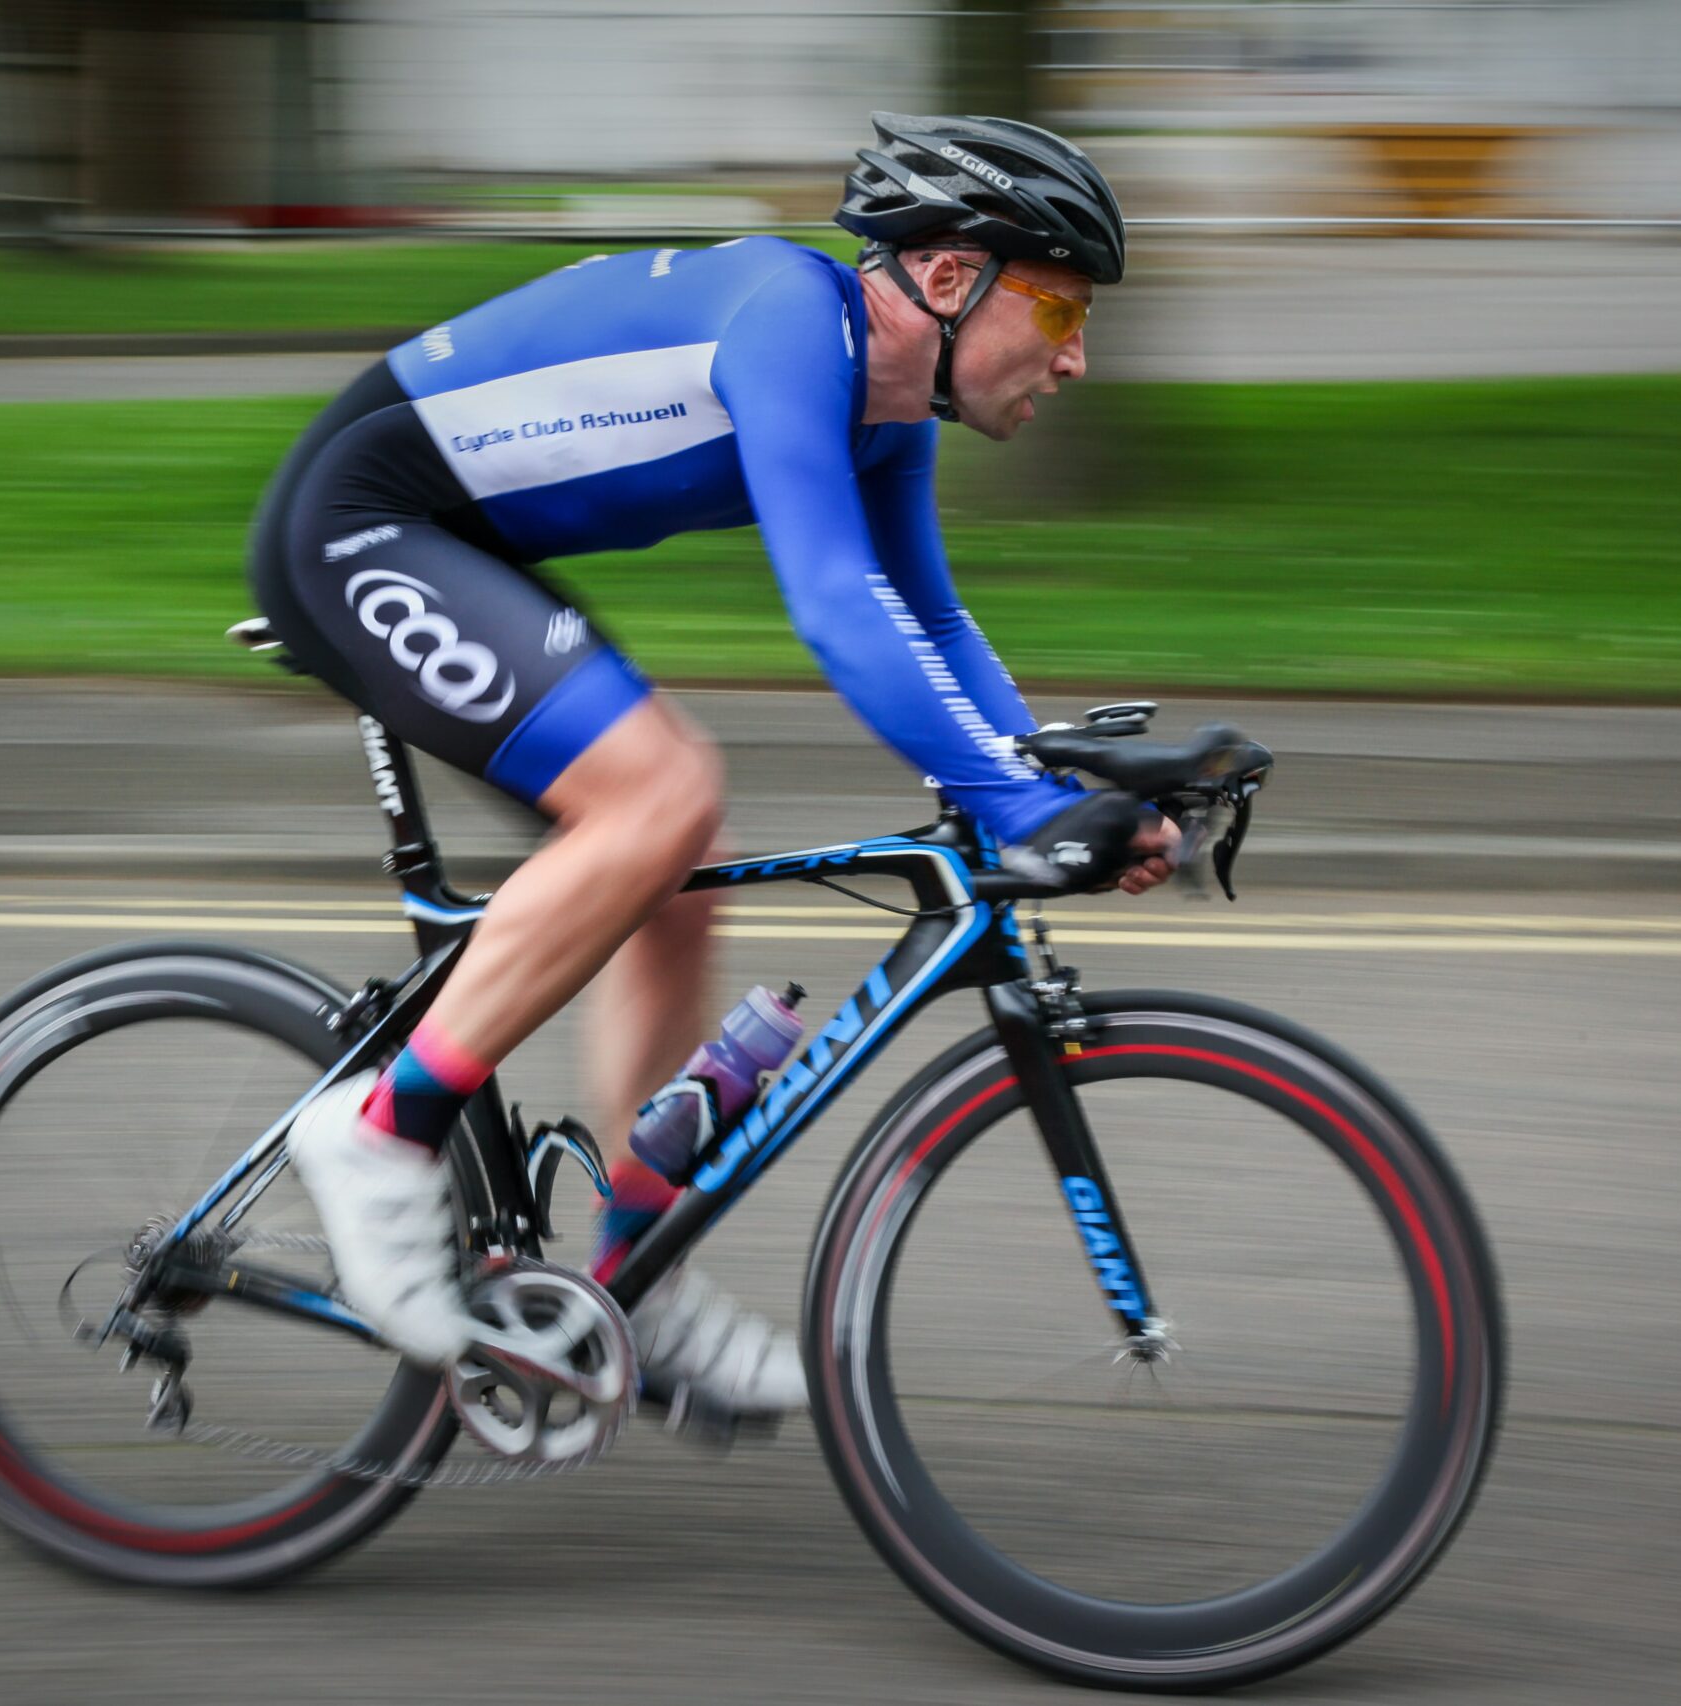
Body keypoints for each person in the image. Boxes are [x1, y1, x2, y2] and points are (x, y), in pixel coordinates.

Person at [252, 112, 1178, 1430]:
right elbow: (837, 606)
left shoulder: (886, 411)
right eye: (1063, 307)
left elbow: (933, 623)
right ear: (955, 277)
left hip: (457, 545)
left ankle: (636, 1273)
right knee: (663, 790)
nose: (1077, 357)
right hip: (357, 523)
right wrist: (1018, 801)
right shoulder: (796, 323)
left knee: (669, 873)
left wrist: (1057, 780)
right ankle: (380, 1127)